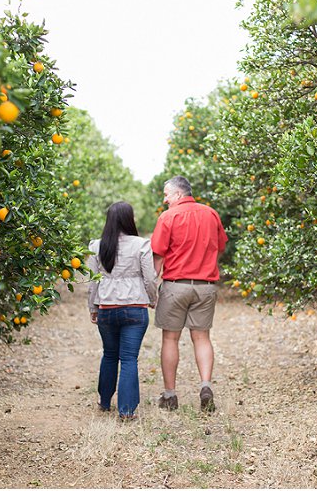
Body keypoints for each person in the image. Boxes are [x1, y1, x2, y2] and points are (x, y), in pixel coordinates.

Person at [150, 176, 228, 412]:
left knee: (170, 338)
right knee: (202, 337)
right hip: (205, 286)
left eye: (166, 195)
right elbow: (220, 246)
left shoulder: (168, 217)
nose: (165, 199)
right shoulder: (211, 214)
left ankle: (170, 395)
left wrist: (151, 286)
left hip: (176, 284)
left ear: (178, 195)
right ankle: (205, 385)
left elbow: (158, 255)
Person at [87, 201, 158, 420]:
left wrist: (93, 307)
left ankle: (105, 401)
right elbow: (149, 278)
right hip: (135, 309)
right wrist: (153, 299)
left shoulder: (97, 246)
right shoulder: (142, 245)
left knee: (109, 354)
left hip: (107, 308)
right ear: (130, 219)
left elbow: (93, 282)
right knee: (129, 358)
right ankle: (126, 411)